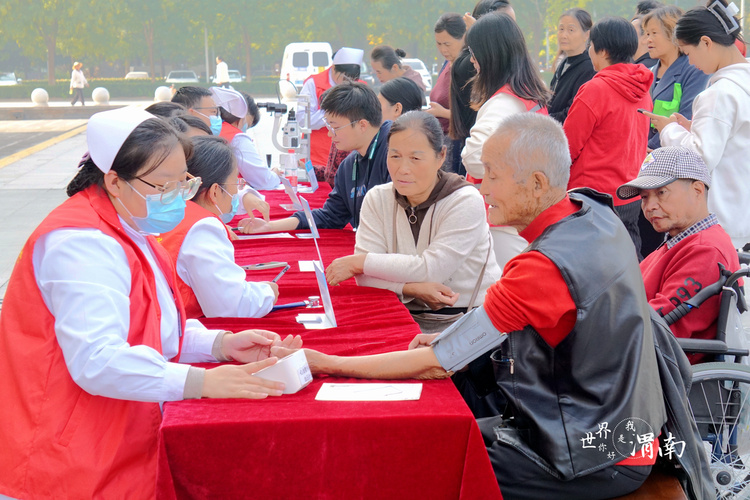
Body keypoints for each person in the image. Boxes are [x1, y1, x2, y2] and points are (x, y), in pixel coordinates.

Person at [274, 114, 667, 499]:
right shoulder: (594, 213)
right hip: (620, 426)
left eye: (493, 175)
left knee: (415, 460)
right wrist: (445, 339)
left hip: (595, 450)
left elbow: (437, 362)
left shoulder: (541, 268)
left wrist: (327, 362)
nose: (483, 188)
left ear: (536, 184)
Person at [0, 108, 300, 499]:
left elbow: (152, 322)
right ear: (114, 181)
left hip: (112, 438)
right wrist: (200, 382)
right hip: (68, 454)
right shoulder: (81, 242)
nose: (177, 197)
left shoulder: (128, 225)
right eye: (163, 186)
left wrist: (218, 345)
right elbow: (98, 359)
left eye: (183, 182)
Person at [325, 112, 501, 332]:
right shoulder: (378, 198)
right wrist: (410, 288)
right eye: (395, 156)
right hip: (398, 313)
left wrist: (358, 262)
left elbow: (431, 269)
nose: (403, 169)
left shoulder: (464, 200)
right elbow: (365, 279)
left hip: (466, 321)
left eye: (415, 158)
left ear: (441, 156)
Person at [617, 146, 741, 364]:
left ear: (697, 190)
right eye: (644, 197)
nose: (649, 206)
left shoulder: (707, 250)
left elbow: (662, 323)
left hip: (654, 365)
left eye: (661, 193)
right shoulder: (680, 239)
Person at [646, 0, 750, 249]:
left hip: (724, 218)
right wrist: (692, 129)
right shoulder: (742, 84)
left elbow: (699, 160)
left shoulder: (719, 94)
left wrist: (669, 130)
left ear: (706, 42)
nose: (691, 63)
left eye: (688, 52)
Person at [240, 82, 390, 234]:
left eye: (335, 128)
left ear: (362, 125)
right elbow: (331, 215)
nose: (330, 134)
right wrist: (269, 226)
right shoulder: (349, 166)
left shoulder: (395, 152)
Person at [159, 136, 278, 319]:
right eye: (234, 184)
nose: (235, 192)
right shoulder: (202, 227)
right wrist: (267, 293)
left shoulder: (169, 211)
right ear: (215, 191)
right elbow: (230, 306)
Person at [564, 16, 653, 258]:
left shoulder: (595, 89)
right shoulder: (642, 88)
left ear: (601, 50)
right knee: (627, 266)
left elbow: (567, 148)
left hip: (591, 197)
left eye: (590, 45)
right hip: (628, 195)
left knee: (590, 268)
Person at [460, 13, 549, 180]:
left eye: (473, 52)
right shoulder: (528, 93)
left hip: (498, 201)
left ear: (490, 55)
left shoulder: (503, 104)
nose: (472, 60)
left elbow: (474, 159)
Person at [449, 0, 516, 177]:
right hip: (477, 161)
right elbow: (474, 157)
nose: (512, 31)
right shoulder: (469, 65)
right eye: (505, 23)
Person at [643, 6, 710, 151]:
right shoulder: (650, 72)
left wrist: (651, 146)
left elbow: (688, 115)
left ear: (673, 34)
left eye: (654, 33)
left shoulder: (694, 69)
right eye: (647, 34)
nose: (648, 39)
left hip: (672, 153)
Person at [299, 47, 364, 169]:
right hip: (316, 158)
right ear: (334, 68)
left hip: (351, 159)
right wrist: (333, 112)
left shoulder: (361, 88)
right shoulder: (313, 84)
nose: (349, 83)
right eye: (345, 78)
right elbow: (303, 120)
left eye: (353, 79)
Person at [212, 86, 280, 190]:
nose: (243, 129)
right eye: (246, 124)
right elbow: (264, 181)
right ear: (240, 118)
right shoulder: (237, 138)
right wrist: (275, 174)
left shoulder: (206, 129)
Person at [548, 9, 596, 123]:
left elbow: (574, 112)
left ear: (587, 34)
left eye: (571, 30)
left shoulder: (589, 68)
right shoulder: (564, 63)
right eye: (561, 29)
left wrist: (544, 119)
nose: (564, 35)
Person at [426, 13, 467, 136]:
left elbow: (472, 114)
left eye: (447, 44)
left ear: (463, 38)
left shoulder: (468, 68)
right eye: (439, 44)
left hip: (456, 139)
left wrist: (442, 112)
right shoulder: (447, 63)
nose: (443, 50)